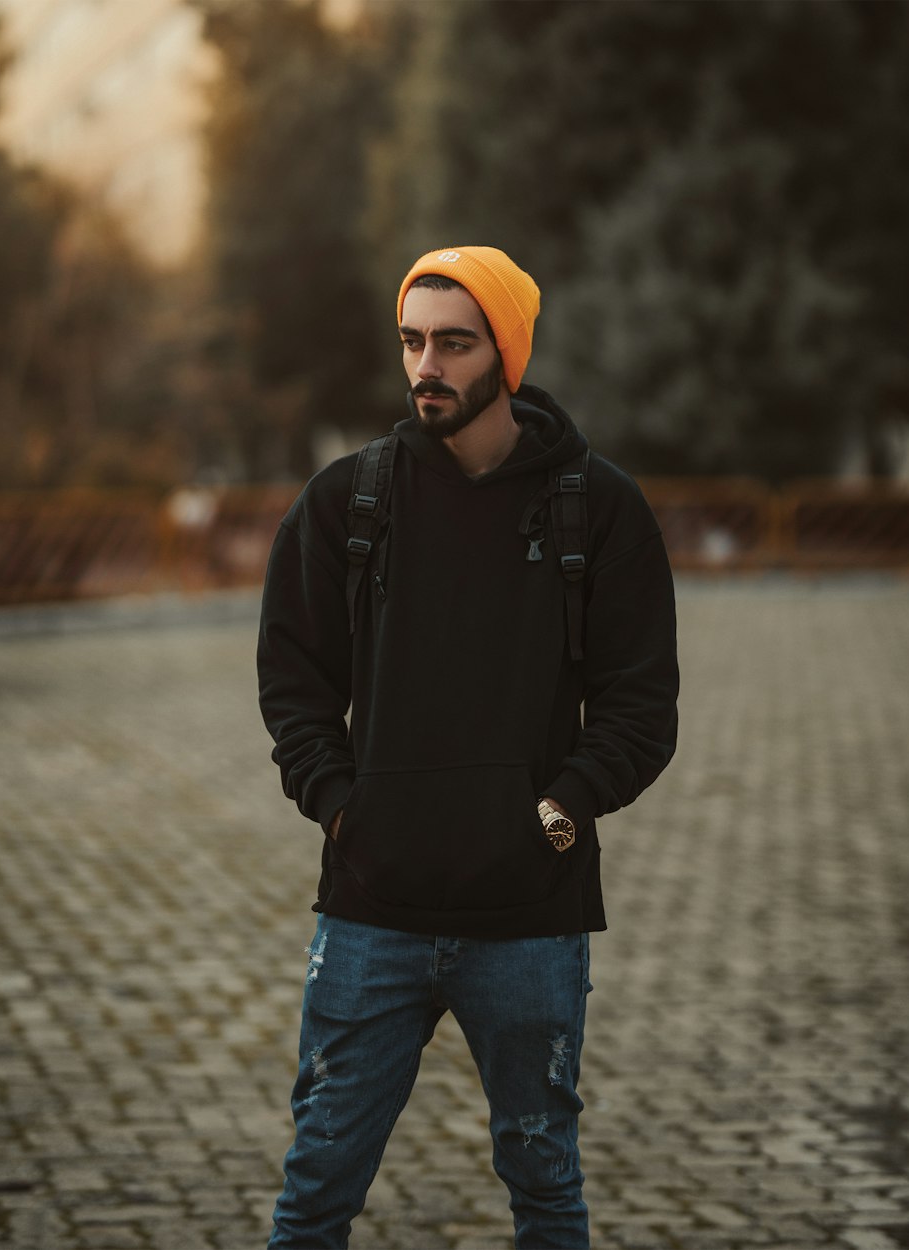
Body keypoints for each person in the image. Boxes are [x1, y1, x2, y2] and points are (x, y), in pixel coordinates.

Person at [257, 245, 679, 1249]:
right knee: (314, 1191)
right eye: (412, 341)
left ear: (508, 351)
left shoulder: (595, 506)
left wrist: (558, 808)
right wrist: (341, 803)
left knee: (544, 1188)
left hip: (531, 917)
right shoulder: (347, 500)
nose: (426, 367)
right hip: (372, 912)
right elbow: (293, 681)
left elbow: (641, 703)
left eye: (453, 341)